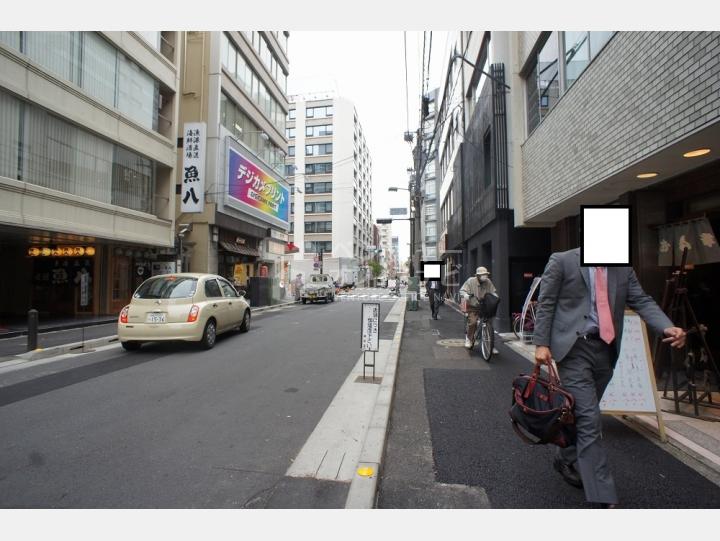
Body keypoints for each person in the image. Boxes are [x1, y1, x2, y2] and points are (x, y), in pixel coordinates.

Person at [533, 247, 686, 508]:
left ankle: (565, 455)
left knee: (581, 413)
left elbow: (642, 300)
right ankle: (603, 496)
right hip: (573, 349)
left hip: (605, 350)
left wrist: (665, 325)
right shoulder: (563, 261)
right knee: (590, 419)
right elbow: (546, 302)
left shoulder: (622, 268)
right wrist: (541, 343)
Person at [460, 267, 497, 348]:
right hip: (473, 306)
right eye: (482, 275)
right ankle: (469, 339)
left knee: (490, 323)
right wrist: (466, 295)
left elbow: (493, 291)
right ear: (477, 275)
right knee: (473, 322)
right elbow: (462, 290)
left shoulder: (488, 281)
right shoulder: (470, 281)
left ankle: (491, 346)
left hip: (484, 306)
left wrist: (495, 297)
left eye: (485, 274)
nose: (484, 276)